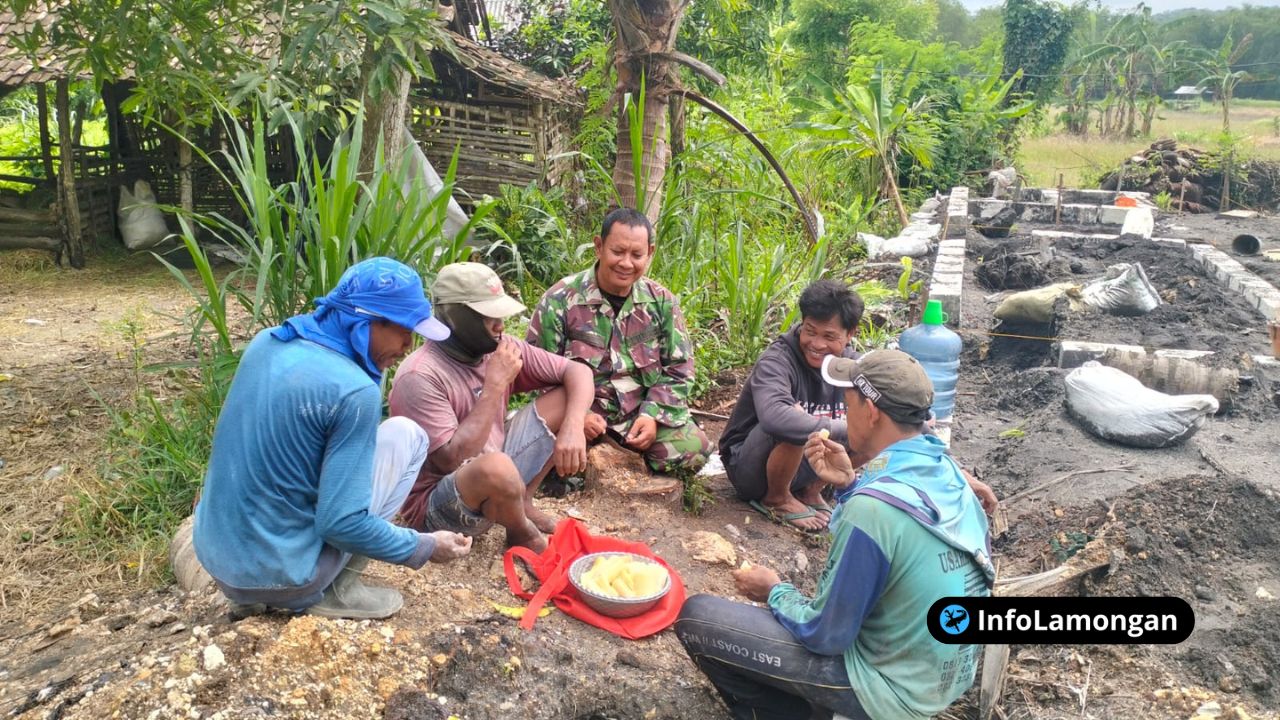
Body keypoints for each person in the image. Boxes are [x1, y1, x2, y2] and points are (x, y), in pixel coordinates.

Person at [676, 350, 994, 720]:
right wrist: (849, 485)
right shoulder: (950, 475)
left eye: (847, 401)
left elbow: (825, 634)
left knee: (698, 617)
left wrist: (774, 590)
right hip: (941, 678)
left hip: (889, 694)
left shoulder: (874, 511)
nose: (842, 411)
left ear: (871, 411)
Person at [193, 258, 473, 621]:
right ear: (366, 321)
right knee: (408, 435)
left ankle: (246, 597)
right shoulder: (352, 391)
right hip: (289, 579)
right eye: (404, 330)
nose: (408, 345)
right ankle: (339, 591)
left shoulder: (268, 342)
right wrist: (423, 545)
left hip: (220, 564)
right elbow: (341, 524)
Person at [389, 262, 595, 553]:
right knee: (496, 466)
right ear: (456, 317)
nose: (501, 326)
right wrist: (494, 386)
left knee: (566, 399)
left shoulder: (501, 347)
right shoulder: (420, 376)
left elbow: (578, 373)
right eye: (489, 317)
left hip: (495, 471)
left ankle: (520, 502)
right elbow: (449, 460)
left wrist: (573, 427)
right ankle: (520, 530)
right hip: (441, 506)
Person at [526, 207, 711, 475]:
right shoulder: (560, 300)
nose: (626, 263)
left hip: (637, 415)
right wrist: (578, 417)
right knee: (534, 452)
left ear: (650, 253)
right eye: (618, 252)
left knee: (696, 449)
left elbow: (679, 370)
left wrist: (652, 416)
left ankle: (617, 461)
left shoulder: (662, 302)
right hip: (580, 415)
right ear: (599, 247)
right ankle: (583, 464)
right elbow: (536, 371)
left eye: (636, 255)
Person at [720, 279, 863, 533]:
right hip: (752, 468)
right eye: (810, 331)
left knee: (872, 426)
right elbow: (775, 419)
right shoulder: (777, 360)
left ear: (850, 334)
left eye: (829, 336)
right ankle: (778, 498)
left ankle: (811, 490)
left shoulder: (853, 365)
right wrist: (846, 427)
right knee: (794, 420)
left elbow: (890, 408)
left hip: (807, 465)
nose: (817, 344)